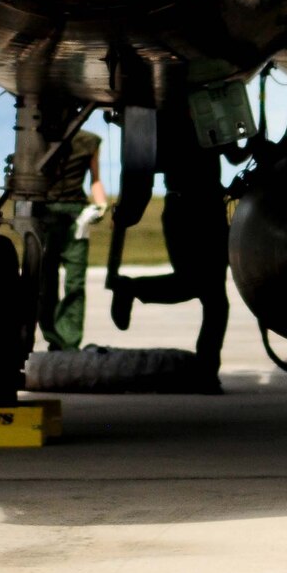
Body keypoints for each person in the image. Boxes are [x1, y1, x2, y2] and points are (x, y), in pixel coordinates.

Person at [108, 106, 234, 388]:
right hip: (185, 210)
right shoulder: (167, 120)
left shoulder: (209, 116)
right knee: (199, 288)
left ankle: (207, 372)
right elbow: (145, 163)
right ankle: (131, 289)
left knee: (214, 298)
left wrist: (250, 138)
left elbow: (234, 154)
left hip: (210, 210)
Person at [36, 122, 108, 352]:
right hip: (45, 213)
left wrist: (101, 204)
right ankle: (53, 336)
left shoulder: (88, 141)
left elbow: (95, 178)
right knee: (45, 281)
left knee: (75, 280)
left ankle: (69, 342)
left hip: (76, 215)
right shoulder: (38, 137)